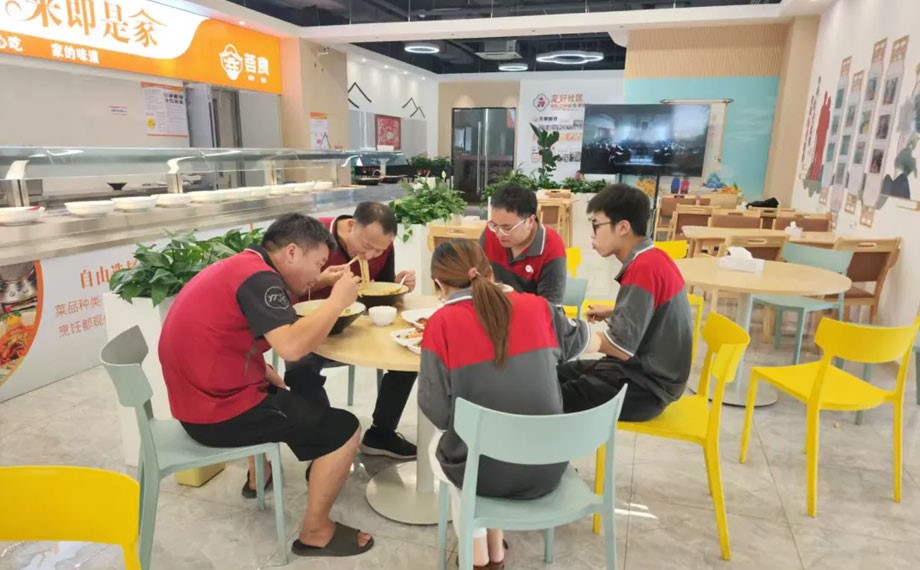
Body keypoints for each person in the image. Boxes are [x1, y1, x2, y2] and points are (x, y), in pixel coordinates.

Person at [159, 213, 374, 558]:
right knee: (345, 429)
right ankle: (316, 532)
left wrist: (318, 280)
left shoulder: (246, 267)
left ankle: (261, 475)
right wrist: (337, 301)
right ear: (292, 252)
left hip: (199, 398)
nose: (317, 272)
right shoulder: (261, 280)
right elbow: (291, 347)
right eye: (317, 263)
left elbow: (229, 333)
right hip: (216, 412)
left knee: (293, 396)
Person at [419, 240, 597, 568]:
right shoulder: (539, 307)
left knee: (446, 449)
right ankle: (493, 550)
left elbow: (439, 413)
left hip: (485, 475)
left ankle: (479, 556)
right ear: (490, 273)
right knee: (479, 440)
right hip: (547, 466)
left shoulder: (440, 324)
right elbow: (580, 340)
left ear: (439, 285)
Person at [288, 201, 418, 459]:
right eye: (367, 246)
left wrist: (398, 285)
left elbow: (380, 294)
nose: (370, 256)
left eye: (379, 250)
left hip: (359, 326)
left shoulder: (381, 246)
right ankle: (326, 444)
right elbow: (287, 291)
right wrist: (321, 280)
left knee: (408, 356)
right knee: (300, 369)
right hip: (314, 328)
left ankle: (381, 435)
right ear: (350, 226)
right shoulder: (313, 238)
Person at [557, 184, 693, 421]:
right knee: (557, 374)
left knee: (551, 397)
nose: (592, 235)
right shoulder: (654, 257)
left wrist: (572, 334)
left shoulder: (644, 269)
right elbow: (655, 309)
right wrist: (615, 309)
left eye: (596, 225)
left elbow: (620, 347)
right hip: (641, 371)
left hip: (648, 388)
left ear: (622, 227)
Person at [481, 185, 567, 304]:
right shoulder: (491, 232)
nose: (499, 234)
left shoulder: (551, 247)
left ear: (530, 221)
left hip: (531, 312)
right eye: (494, 225)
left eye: (507, 228)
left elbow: (550, 308)